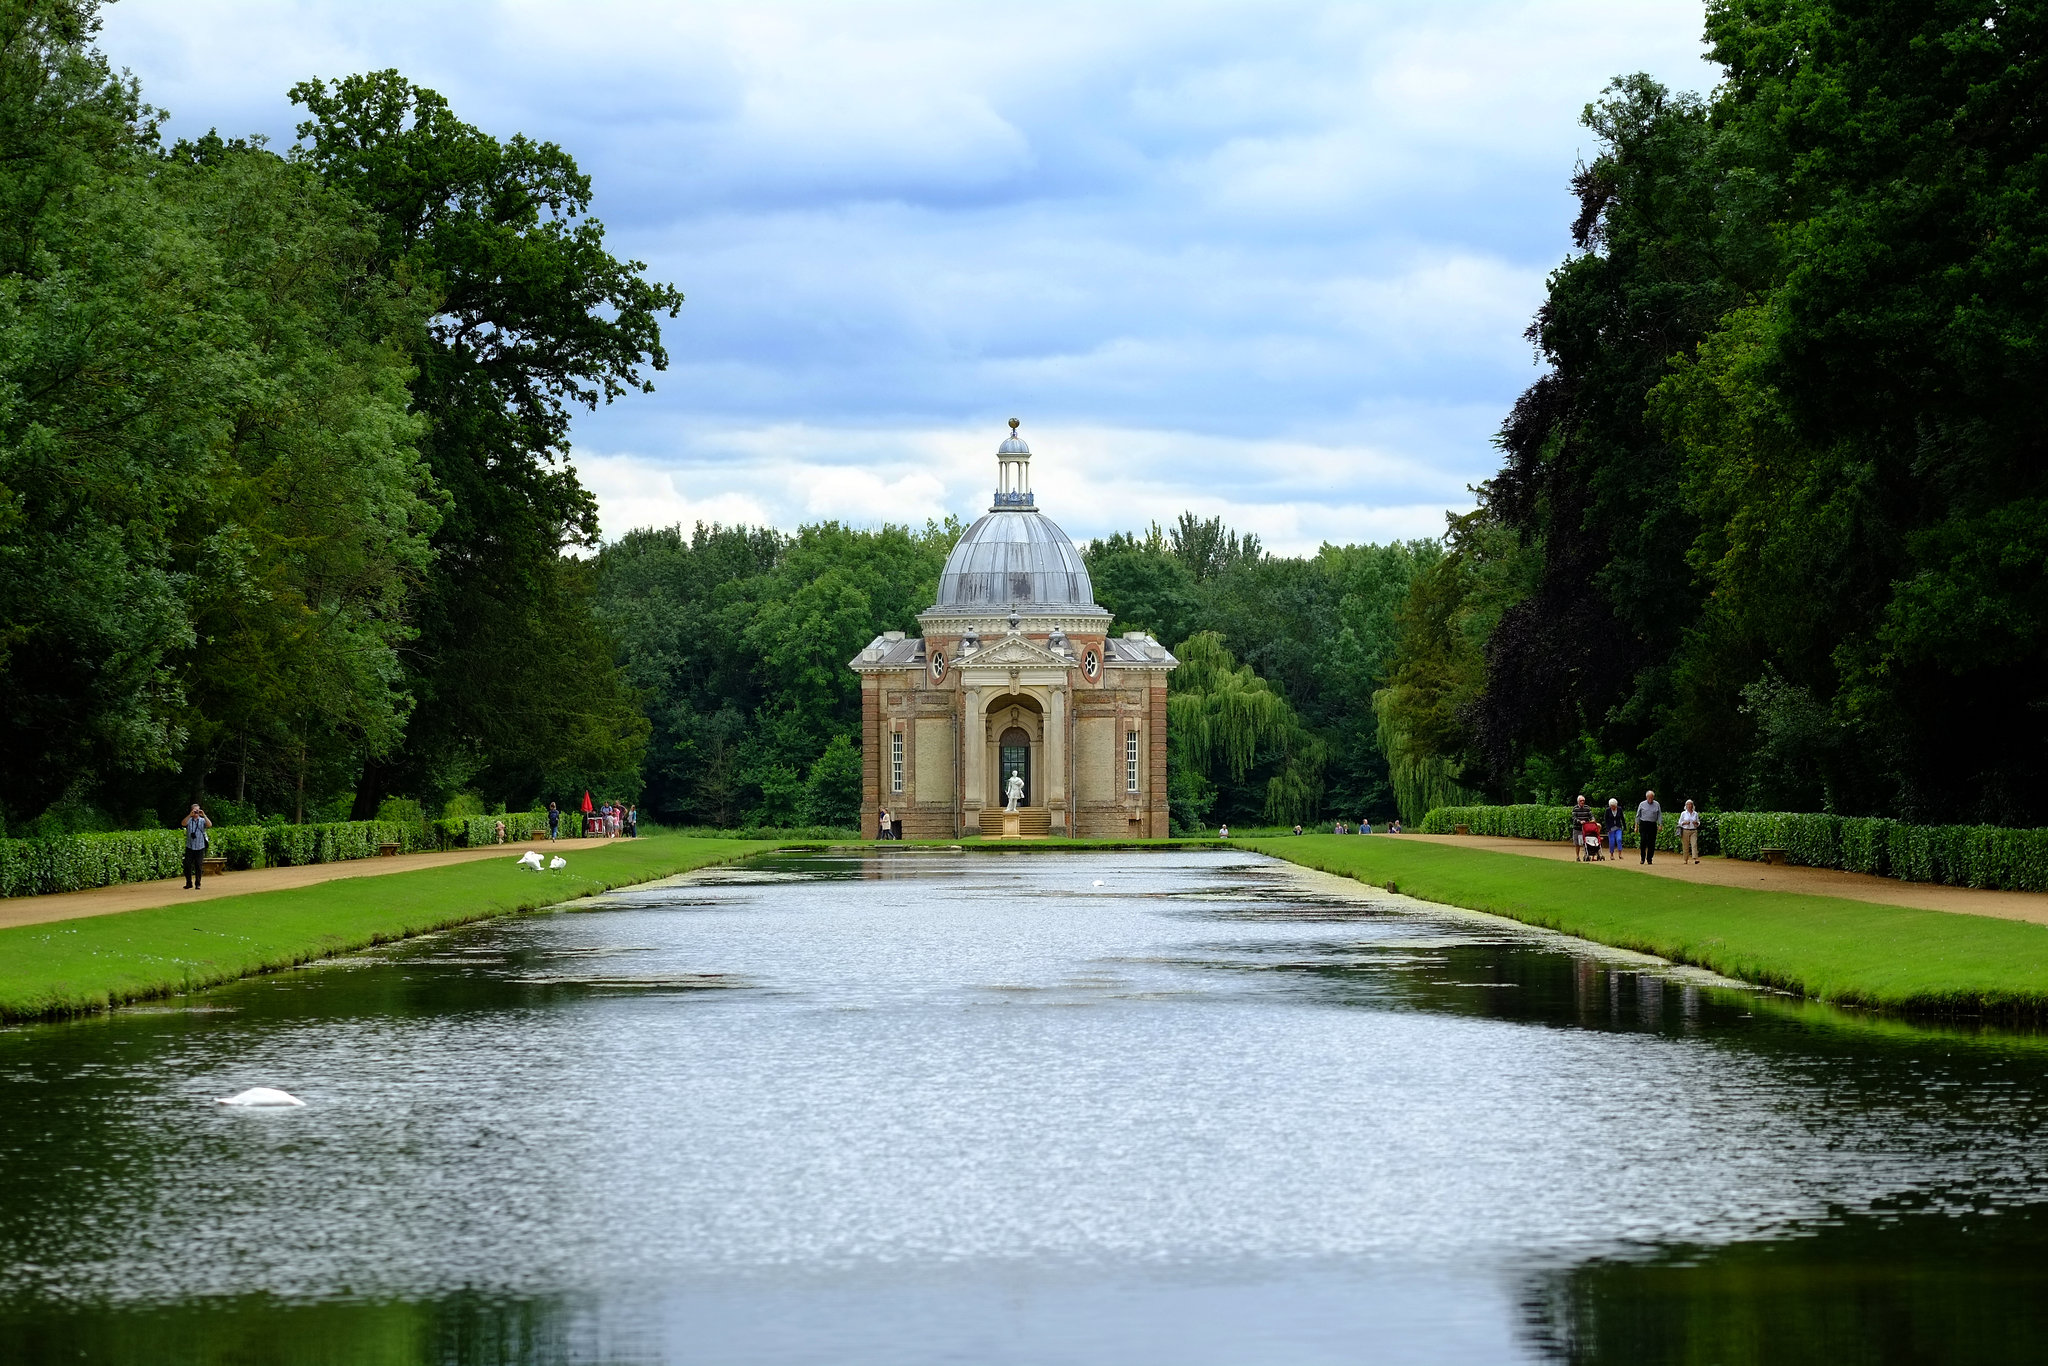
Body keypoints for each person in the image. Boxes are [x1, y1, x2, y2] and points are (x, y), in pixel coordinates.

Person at [179, 803, 212, 889]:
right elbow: (183, 823)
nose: (196, 813)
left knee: (198, 865)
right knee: (187, 865)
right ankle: (188, 882)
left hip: (200, 846)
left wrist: (204, 815)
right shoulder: (189, 820)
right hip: (190, 846)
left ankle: (198, 883)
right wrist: (190, 815)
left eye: (198, 811)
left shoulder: (202, 820)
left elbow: (209, 825)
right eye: (195, 811)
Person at [1636, 789, 1662, 865]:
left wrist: (1660, 824)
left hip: (1652, 824)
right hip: (1644, 824)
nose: (1650, 799)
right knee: (1643, 841)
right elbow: (1638, 815)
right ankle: (1642, 858)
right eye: (1649, 798)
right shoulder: (1642, 804)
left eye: (1652, 798)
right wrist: (1636, 826)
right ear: (1646, 797)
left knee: (1652, 842)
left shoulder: (1657, 804)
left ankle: (1649, 858)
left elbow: (1659, 815)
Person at [1570, 794, 1595, 861]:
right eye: (1581, 801)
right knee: (1577, 843)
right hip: (1577, 828)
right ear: (1578, 801)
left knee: (1586, 842)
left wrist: (1592, 819)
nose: (1582, 802)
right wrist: (1579, 821)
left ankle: (1586, 855)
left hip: (1585, 828)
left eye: (1583, 801)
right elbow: (1573, 817)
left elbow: (1591, 815)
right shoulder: (1575, 808)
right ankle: (1577, 856)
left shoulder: (1587, 808)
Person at [1678, 800, 1702, 864]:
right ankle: (1685, 859)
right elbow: (1679, 823)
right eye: (1688, 804)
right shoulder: (1683, 813)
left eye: (1690, 804)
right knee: (1685, 845)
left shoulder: (1695, 813)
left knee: (1694, 844)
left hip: (1693, 830)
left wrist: (1696, 823)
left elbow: (1698, 822)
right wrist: (1684, 823)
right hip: (1685, 830)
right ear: (1686, 806)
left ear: (1692, 805)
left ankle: (1695, 858)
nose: (1689, 806)